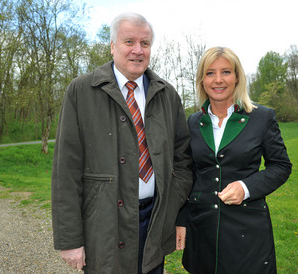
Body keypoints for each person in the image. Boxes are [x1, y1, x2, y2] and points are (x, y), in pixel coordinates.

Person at [51, 12, 193, 273]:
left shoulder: (167, 95)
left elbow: (183, 161)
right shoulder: (81, 91)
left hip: (152, 222)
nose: (138, 51)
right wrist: (70, 239)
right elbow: (65, 171)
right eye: (129, 42)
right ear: (112, 46)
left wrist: (171, 207)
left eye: (145, 43)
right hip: (104, 225)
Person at [176, 47, 292, 274]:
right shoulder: (193, 122)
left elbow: (281, 166)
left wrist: (246, 187)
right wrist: (182, 219)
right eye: (210, 73)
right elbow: (187, 173)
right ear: (202, 80)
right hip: (203, 231)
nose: (218, 80)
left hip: (247, 232)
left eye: (226, 72)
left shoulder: (261, 117)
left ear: (237, 77)